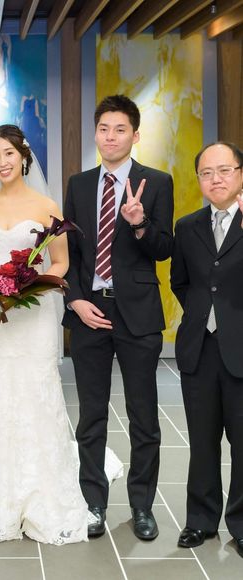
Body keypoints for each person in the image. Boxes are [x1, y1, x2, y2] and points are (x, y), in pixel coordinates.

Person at [0, 124, 88, 544]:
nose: (2, 162)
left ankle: (43, 495)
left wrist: (27, 288)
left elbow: (60, 263)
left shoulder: (46, 205)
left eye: (8, 153)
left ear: (24, 156)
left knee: (35, 393)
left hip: (34, 316)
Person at [63, 95, 174, 540]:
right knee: (91, 415)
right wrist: (74, 300)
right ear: (95, 133)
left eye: (120, 129)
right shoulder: (78, 184)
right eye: (104, 129)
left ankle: (142, 506)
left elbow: (163, 249)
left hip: (138, 313)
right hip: (90, 312)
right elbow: (69, 252)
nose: (110, 137)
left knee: (143, 415)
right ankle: (93, 503)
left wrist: (140, 223)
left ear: (135, 135)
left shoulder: (156, 182)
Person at [171, 142, 243, 556]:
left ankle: (242, 523)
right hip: (199, 347)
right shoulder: (187, 226)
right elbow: (180, 282)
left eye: (224, 170)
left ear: (240, 174)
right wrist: (205, 315)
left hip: (241, 348)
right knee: (202, 440)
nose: (216, 179)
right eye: (206, 173)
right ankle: (200, 520)